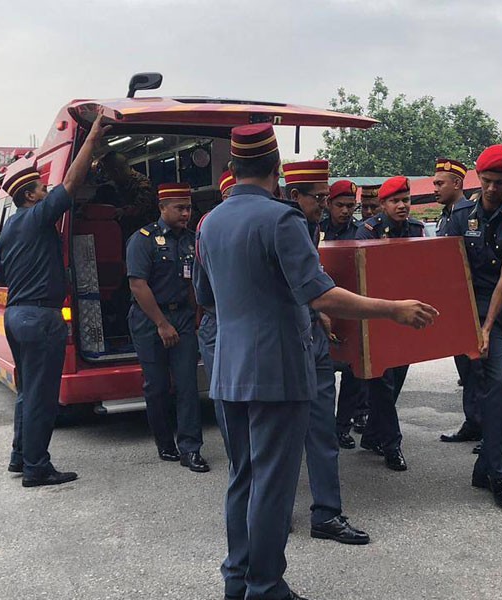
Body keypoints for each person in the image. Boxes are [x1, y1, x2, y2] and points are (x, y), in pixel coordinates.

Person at [193, 123, 436, 600]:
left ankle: (238, 578)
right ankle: (264, 587)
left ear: (234, 168)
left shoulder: (210, 222)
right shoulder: (281, 221)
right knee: (273, 485)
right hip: (277, 372)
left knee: (242, 477)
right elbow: (319, 294)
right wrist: (393, 309)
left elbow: (206, 297)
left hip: (228, 370)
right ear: (276, 168)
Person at [0, 114, 109, 487]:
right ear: (30, 196)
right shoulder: (35, 217)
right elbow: (72, 183)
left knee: (27, 392)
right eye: (42, 190)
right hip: (40, 319)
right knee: (43, 396)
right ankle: (36, 467)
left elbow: (0, 277)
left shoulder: (8, 230)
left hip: (16, 314)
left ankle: (20, 456)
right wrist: (90, 138)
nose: (48, 193)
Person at [446, 145, 502, 510]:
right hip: (483, 309)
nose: (492, 188)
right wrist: (479, 326)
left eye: (500, 182)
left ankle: (485, 466)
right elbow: (450, 270)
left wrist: (488, 324)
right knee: (497, 384)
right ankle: (499, 474)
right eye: (486, 181)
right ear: (477, 178)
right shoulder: (460, 215)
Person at [282, 160, 369, 545]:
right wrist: (391, 309)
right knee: (281, 437)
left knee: (322, 433)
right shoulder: (278, 227)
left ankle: (327, 514)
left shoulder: (309, 226)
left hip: (312, 338)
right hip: (283, 344)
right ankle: (277, 512)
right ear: (293, 195)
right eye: (317, 198)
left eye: (324, 197)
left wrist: (319, 315)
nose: (323, 204)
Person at [127, 183, 208, 473]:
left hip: (183, 318)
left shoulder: (191, 240)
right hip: (150, 321)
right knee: (158, 386)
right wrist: (161, 324)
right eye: (180, 208)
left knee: (188, 384)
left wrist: (197, 316)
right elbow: (138, 284)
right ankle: (165, 443)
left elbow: (193, 283)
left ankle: (191, 448)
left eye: (188, 208)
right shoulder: (143, 239)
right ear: (162, 208)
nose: (186, 213)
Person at [354, 175, 426, 471]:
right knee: (382, 383)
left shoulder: (416, 229)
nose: (402, 206)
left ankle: (372, 434)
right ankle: (392, 445)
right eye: (395, 201)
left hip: (405, 316)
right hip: (378, 315)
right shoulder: (367, 231)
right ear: (383, 205)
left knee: (396, 379)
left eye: (405, 200)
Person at [431, 158, 482, 446]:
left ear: (458, 184)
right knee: (465, 368)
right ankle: (473, 421)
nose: (435, 188)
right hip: (454, 303)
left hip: (469, 301)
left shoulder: (467, 214)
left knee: (478, 369)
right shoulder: (447, 214)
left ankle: (485, 427)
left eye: (440, 183)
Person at [318, 180, 369, 450]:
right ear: (328, 204)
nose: (346, 211)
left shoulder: (360, 232)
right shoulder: (317, 229)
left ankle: (342, 427)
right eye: (341, 205)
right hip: (322, 308)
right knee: (323, 371)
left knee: (352, 371)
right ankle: (323, 428)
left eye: (351, 206)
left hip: (350, 308)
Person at [197, 169, 236, 457]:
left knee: (226, 394)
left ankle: (240, 459)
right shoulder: (274, 219)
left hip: (218, 318)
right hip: (223, 320)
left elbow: (201, 290)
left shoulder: (208, 224)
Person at [96, 151, 160, 240]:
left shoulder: (142, 184)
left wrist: (122, 211)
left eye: (108, 173)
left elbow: (141, 207)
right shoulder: (117, 185)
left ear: (116, 172)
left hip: (145, 236)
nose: (108, 176)